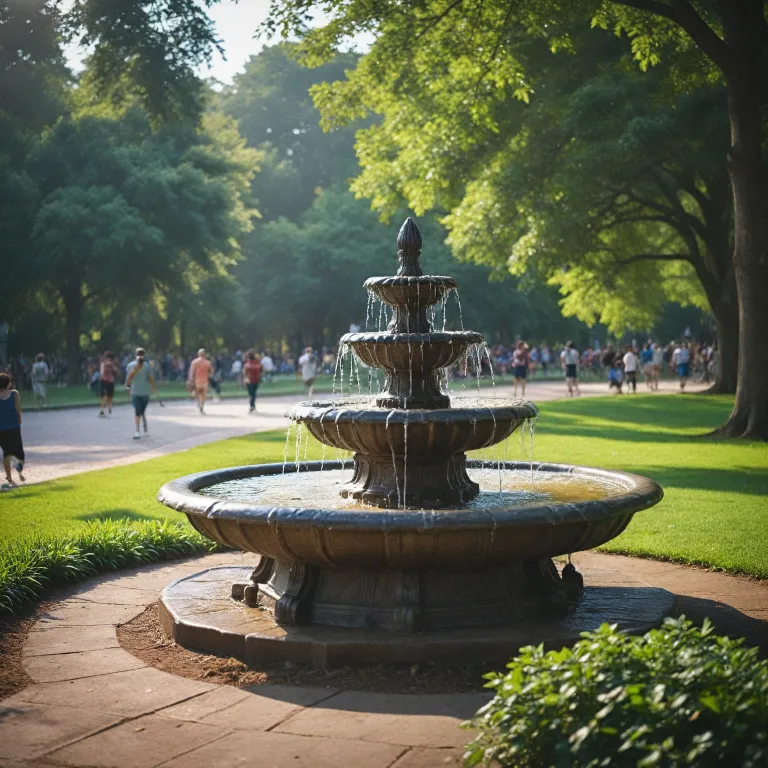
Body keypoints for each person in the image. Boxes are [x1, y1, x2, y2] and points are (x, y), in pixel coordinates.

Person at [125, 348, 159, 439]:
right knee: (138, 411)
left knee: (140, 411)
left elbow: (128, 380)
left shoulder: (145, 366)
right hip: (139, 393)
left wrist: (128, 388)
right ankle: (137, 430)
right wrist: (155, 390)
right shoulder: (135, 366)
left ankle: (142, 428)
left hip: (140, 393)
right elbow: (151, 380)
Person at [0, 373, 25, 487]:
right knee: (18, 451)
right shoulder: (15, 394)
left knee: (7, 453)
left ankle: (9, 477)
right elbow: (18, 409)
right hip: (14, 427)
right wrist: (19, 420)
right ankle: (19, 470)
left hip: (1, 429)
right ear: (9, 383)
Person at [188, 348, 213, 414]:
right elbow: (211, 372)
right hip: (205, 382)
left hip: (197, 382)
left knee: (197, 394)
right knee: (203, 396)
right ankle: (202, 407)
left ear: (198, 354)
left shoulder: (194, 362)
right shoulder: (208, 362)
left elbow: (191, 372)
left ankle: (198, 402)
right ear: (205, 354)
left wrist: (190, 380)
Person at [99, 351, 117, 417]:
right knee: (110, 395)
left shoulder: (103, 363)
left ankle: (102, 410)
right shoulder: (112, 363)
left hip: (103, 380)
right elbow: (115, 371)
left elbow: (101, 372)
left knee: (103, 396)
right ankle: (109, 407)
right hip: (110, 381)